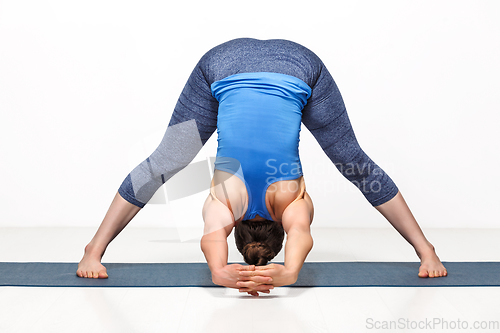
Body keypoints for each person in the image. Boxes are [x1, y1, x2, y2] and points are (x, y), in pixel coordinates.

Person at [77, 38, 447, 296]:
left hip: (284, 66)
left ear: (277, 231)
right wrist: (221, 271)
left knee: (354, 164)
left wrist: (288, 270)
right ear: (235, 230)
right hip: (239, 66)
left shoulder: (291, 203)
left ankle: (426, 250)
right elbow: (211, 238)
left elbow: (300, 235)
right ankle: (92, 251)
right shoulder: (226, 204)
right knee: (353, 162)